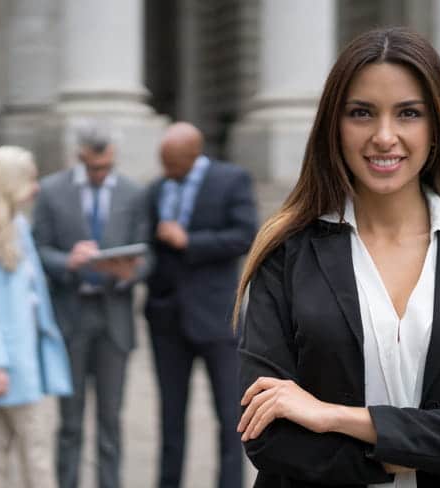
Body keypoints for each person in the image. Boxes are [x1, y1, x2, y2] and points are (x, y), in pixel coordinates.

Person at [235, 27, 440, 487]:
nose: (385, 136)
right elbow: (271, 440)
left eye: (408, 114)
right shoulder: (286, 252)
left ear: (437, 125)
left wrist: (333, 416)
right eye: (361, 113)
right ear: (334, 127)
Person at [32, 124, 151, 488]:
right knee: (70, 422)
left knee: (110, 421)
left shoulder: (133, 193)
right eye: (93, 167)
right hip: (72, 317)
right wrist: (68, 261)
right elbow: (37, 250)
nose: (100, 174)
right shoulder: (52, 192)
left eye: (106, 167)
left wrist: (128, 272)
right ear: (80, 157)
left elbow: (148, 255)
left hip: (114, 319)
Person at [145, 122, 258, 488]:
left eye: (172, 163)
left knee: (230, 417)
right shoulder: (157, 188)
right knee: (170, 416)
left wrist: (188, 241)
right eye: (163, 162)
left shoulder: (232, 180)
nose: (166, 171)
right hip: (166, 317)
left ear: (194, 155)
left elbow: (244, 236)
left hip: (217, 317)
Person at [0, 145, 72, 488]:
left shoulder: (18, 227)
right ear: (8, 183)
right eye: (29, 179)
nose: (36, 187)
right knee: (36, 445)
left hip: (29, 352)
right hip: (11, 360)